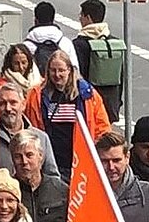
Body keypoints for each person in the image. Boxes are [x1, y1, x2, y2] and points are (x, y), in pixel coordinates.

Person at [26, 48, 109, 180]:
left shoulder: (87, 94)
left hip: (80, 159)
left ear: (69, 70)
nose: (57, 74)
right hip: (50, 160)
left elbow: (102, 127)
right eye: (53, 70)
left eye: (61, 70)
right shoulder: (37, 95)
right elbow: (30, 126)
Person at [11, 129, 67, 222]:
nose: (24, 161)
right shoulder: (8, 195)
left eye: (29, 155)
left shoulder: (62, 191)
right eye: (18, 156)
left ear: (41, 156)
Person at [0, 78, 59, 178]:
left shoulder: (41, 138)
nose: (8, 108)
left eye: (13, 102)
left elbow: (52, 177)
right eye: (2, 103)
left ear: (23, 105)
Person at [73, 0, 125, 121]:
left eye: (82, 15)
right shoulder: (114, 43)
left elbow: (78, 76)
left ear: (88, 18)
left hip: (89, 103)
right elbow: (121, 77)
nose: (80, 18)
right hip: (110, 104)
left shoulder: (79, 44)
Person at [23, 0, 78, 76]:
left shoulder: (27, 46)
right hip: (62, 86)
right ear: (53, 19)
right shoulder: (65, 42)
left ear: (35, 20)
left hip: (37, 87)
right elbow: (75, 69)